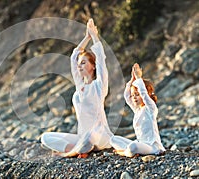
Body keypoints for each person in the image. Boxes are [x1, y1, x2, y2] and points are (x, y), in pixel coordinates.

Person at [41, 19, 113, 158]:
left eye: (83, 63)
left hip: (100, 136)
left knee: (89, 138)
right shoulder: (80, 86)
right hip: (83, 136)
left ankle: (68, 154)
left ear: (93, 66)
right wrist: (86, 37)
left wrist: (94, 36)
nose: (79, 66)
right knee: (45, 137)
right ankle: (80, 149)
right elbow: (74, 56)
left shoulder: (99, 86)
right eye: (79, 64)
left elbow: (101, 59)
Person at [110, 63, 166, 157]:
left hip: (152, 147)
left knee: (133, 146)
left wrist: (139, 78)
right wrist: (132, 80)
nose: (134, 97)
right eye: (133, 95)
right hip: (141, 143)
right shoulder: (137, 110)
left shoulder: (150, 108)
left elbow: (144, 94)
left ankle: (124, 152)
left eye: (137, 94)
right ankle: (130, 151)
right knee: (113, 139)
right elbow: (127, 97)